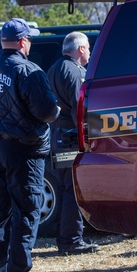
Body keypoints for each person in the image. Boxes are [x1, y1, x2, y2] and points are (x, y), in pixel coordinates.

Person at [0, 18, 59, 272]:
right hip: (25, 151)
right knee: (27, 211)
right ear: (22, 42)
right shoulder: (28, 70)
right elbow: (46, 110)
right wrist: (55, 114)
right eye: (29, 39)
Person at [46, 31, 98, 255]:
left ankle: (66, 236)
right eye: (87, 47)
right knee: (73, 189)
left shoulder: (54, 68)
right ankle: (71, 240)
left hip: (56, 135)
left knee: (64, 187)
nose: (89, 51)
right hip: (70, 136)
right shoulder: (75, 71)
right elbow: (80, 107)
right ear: (80, 49)